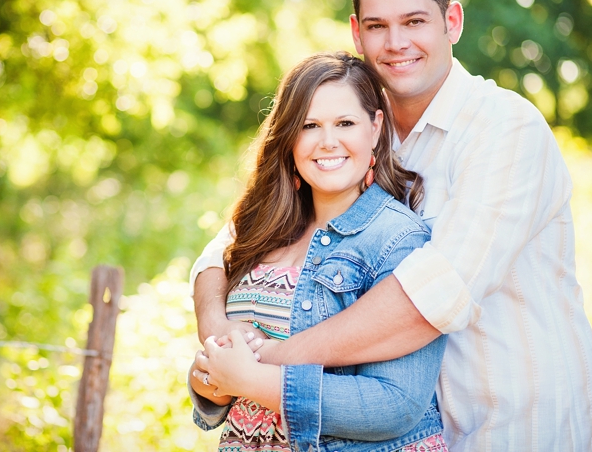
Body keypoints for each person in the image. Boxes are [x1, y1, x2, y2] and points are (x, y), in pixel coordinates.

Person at [191, 0, 592, 451]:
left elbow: (432, 297)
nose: (396, 42)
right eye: (378, 26)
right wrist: (219, 342)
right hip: (397, 435)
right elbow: (222, 253)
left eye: (415, 21)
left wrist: (260, 369)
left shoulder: (505, 129)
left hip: (510, 423)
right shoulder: (356, 128)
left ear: (452, 21)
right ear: (357, 33)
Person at [188, 51, 449, 451]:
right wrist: (209, 380)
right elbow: (218, 380)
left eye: (345, 123)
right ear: (290, 135)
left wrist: (254, 380)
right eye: (310, 125)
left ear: (376, 127)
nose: (328, 142)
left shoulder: (398, 239)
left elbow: (397, 404)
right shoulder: (263, 229)